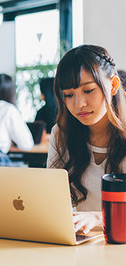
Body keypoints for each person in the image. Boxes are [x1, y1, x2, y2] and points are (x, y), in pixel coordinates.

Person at [48, 44, 126, 234]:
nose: (79, 104)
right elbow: (50, 199)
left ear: (114, 85)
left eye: (88, 90)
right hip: (83, 247)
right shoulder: (61, 134)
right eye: (68, 95)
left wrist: (100, 217)